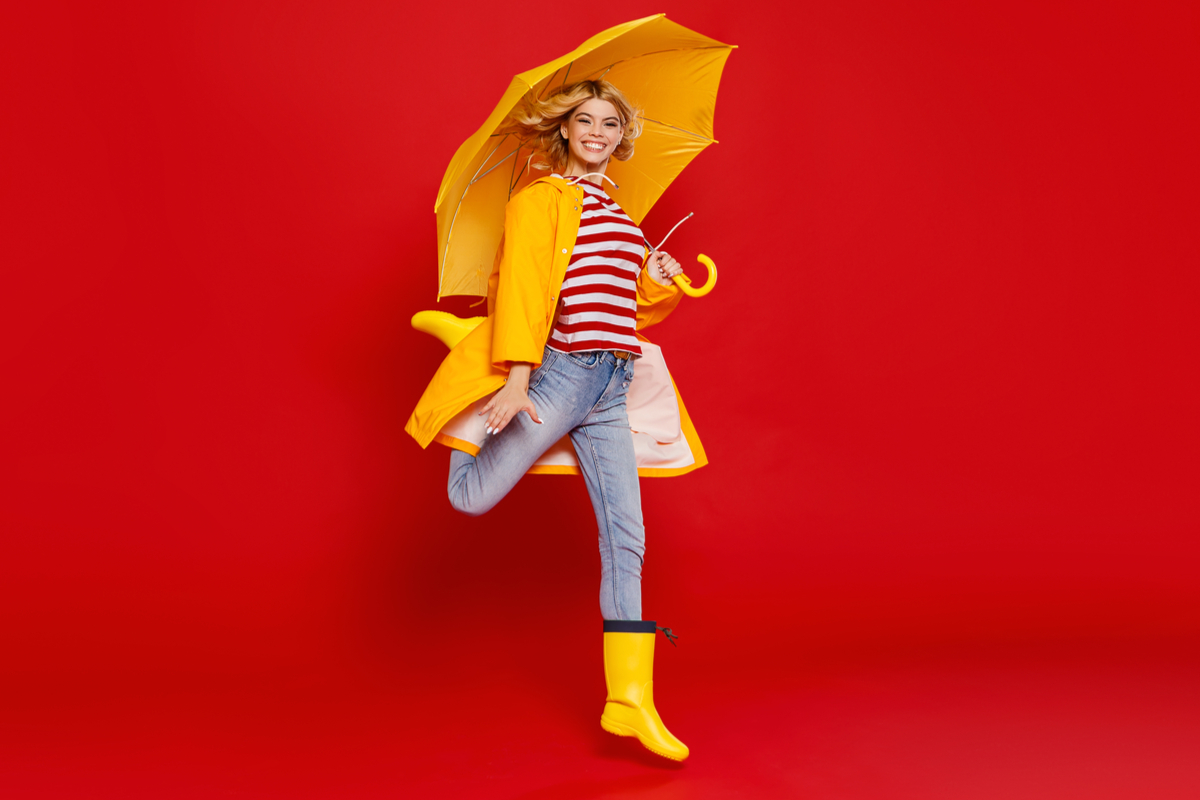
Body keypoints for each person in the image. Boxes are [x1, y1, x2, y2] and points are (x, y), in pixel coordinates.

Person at [405, 80, 704, 761]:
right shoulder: (542, 199)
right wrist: (510, 378)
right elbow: (527, 285)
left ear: (621, 135)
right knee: (470, 496)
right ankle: (464, 361)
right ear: (564, 131)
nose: (596, 131)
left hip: (612, 380)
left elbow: (627, 309)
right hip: (562, 373)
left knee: (626, 536)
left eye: (608, 122)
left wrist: (654, 276)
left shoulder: (617, 211)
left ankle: (628, 701)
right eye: (584, 120)